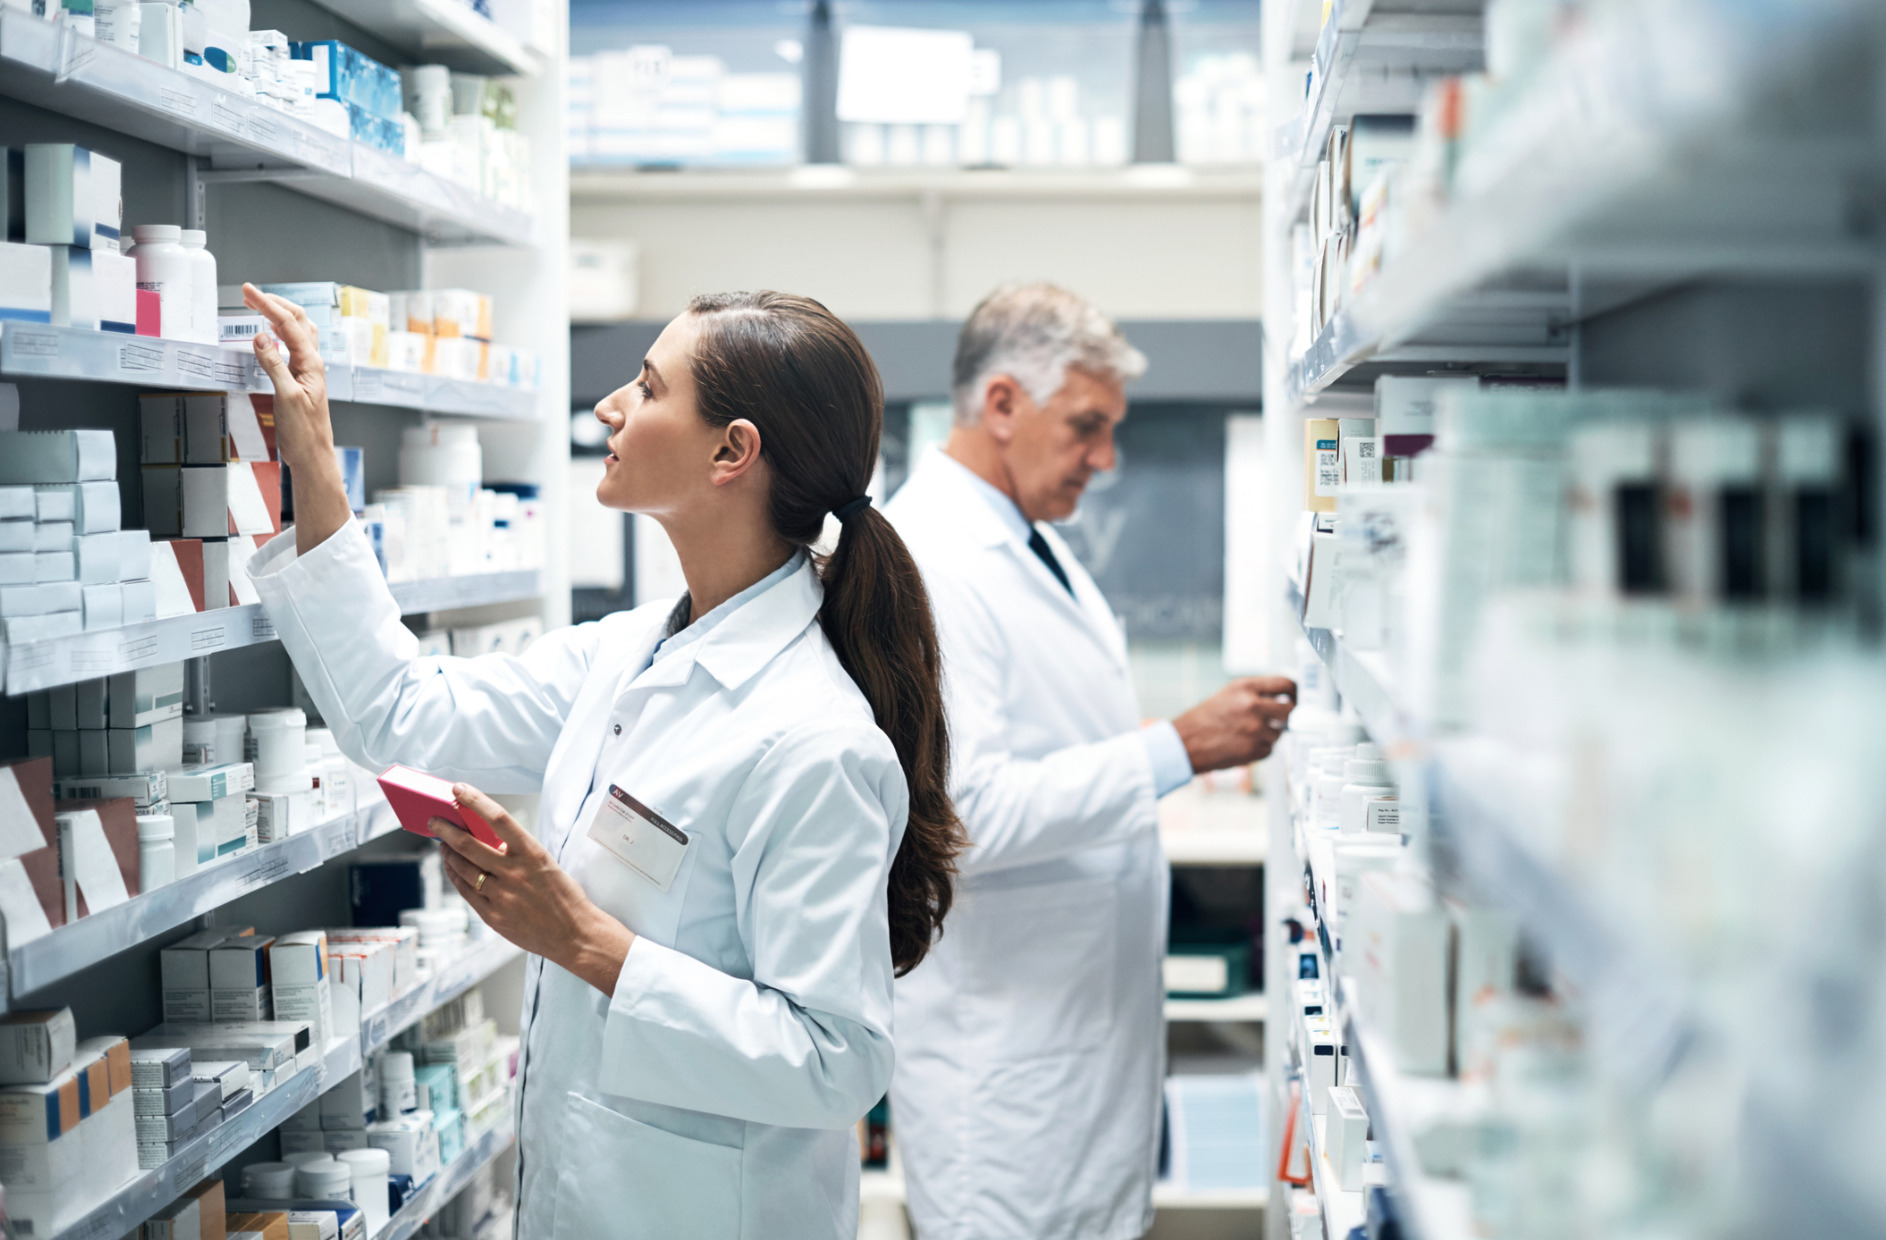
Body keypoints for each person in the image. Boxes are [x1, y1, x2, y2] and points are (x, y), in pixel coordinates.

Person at [241, 284, 964, 1240]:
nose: (609, 408)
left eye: (649, 388)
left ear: (732, 452)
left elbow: (837, 1060)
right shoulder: (627, 655)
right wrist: (315, 465)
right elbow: (400, 713)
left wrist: (586, 942)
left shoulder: (814, 739)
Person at [884, 283, 1296, 1240]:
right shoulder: (934, 558)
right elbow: (964, 815)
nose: (1106, 459)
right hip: (1007, 1074)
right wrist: (1178, 747)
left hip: (1070, 1045)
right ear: (1001, 403)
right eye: (1086, 427)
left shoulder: (1028, 541)